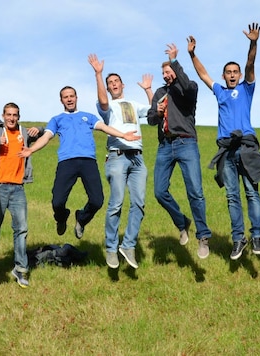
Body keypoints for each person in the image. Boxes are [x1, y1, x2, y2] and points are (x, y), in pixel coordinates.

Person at [18, 86, 141, 243]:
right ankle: (61, 218)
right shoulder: (57, 119)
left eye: (71, 96)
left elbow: (104, 128)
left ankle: (81, 219)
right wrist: (32, 149)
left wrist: (123, 134)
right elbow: (46, 136)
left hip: (88, 162)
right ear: (61, 100)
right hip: (66, 162)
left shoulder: (87, 116)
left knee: (97, 200)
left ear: (76, 98)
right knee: (57, 202)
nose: (69, 99)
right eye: (65, 97)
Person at [188, 23, 260, 261]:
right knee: (232, 197)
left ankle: (256, 235)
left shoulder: (247, 89)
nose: (232, 75)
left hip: (246, 147)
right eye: (228, 72)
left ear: (240, 75)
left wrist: (253, 43)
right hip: (226, 151)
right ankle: (238, 239)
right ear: (224, 76)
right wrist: (192, 54)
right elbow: (203, 74)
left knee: (252, 193)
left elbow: (251, 64)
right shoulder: (220, 92)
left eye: (235, 72)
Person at [147, 43, 213, 259]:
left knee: (195, 191)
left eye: (169, 71)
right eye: (164, 72)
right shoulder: (159, 92)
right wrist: (156, 111)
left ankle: (203, 236)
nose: (166, 75)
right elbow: (150, 120)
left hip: (186, 144)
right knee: (159, 191)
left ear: (176, 70)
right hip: (165, 145)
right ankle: (182, 222)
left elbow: (187, 85)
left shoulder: (188, 88)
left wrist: (175, 60)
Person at [88, 54, 153, 269]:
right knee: (116, 203)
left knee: (139, 203)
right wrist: (98, 74)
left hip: (138, 159)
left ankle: (128, 245)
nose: (113, 85)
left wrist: (148, 89)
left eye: (116, 81)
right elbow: (104, 102)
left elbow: (154, 112)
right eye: (110, 83)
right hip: (117, 156)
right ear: (107, 88)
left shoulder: (133, 104)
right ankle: (110, 248)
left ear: (122, 85)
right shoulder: (105, 105)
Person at [0, 102, 43, 288]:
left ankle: (20, 269)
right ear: (3, 116)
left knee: (21, 229)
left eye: (15, 115)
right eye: (8, 114)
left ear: (19, 116)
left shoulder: (23, 133)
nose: (11, 118)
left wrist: (38, 129)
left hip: (18, 188)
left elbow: (45, 133)